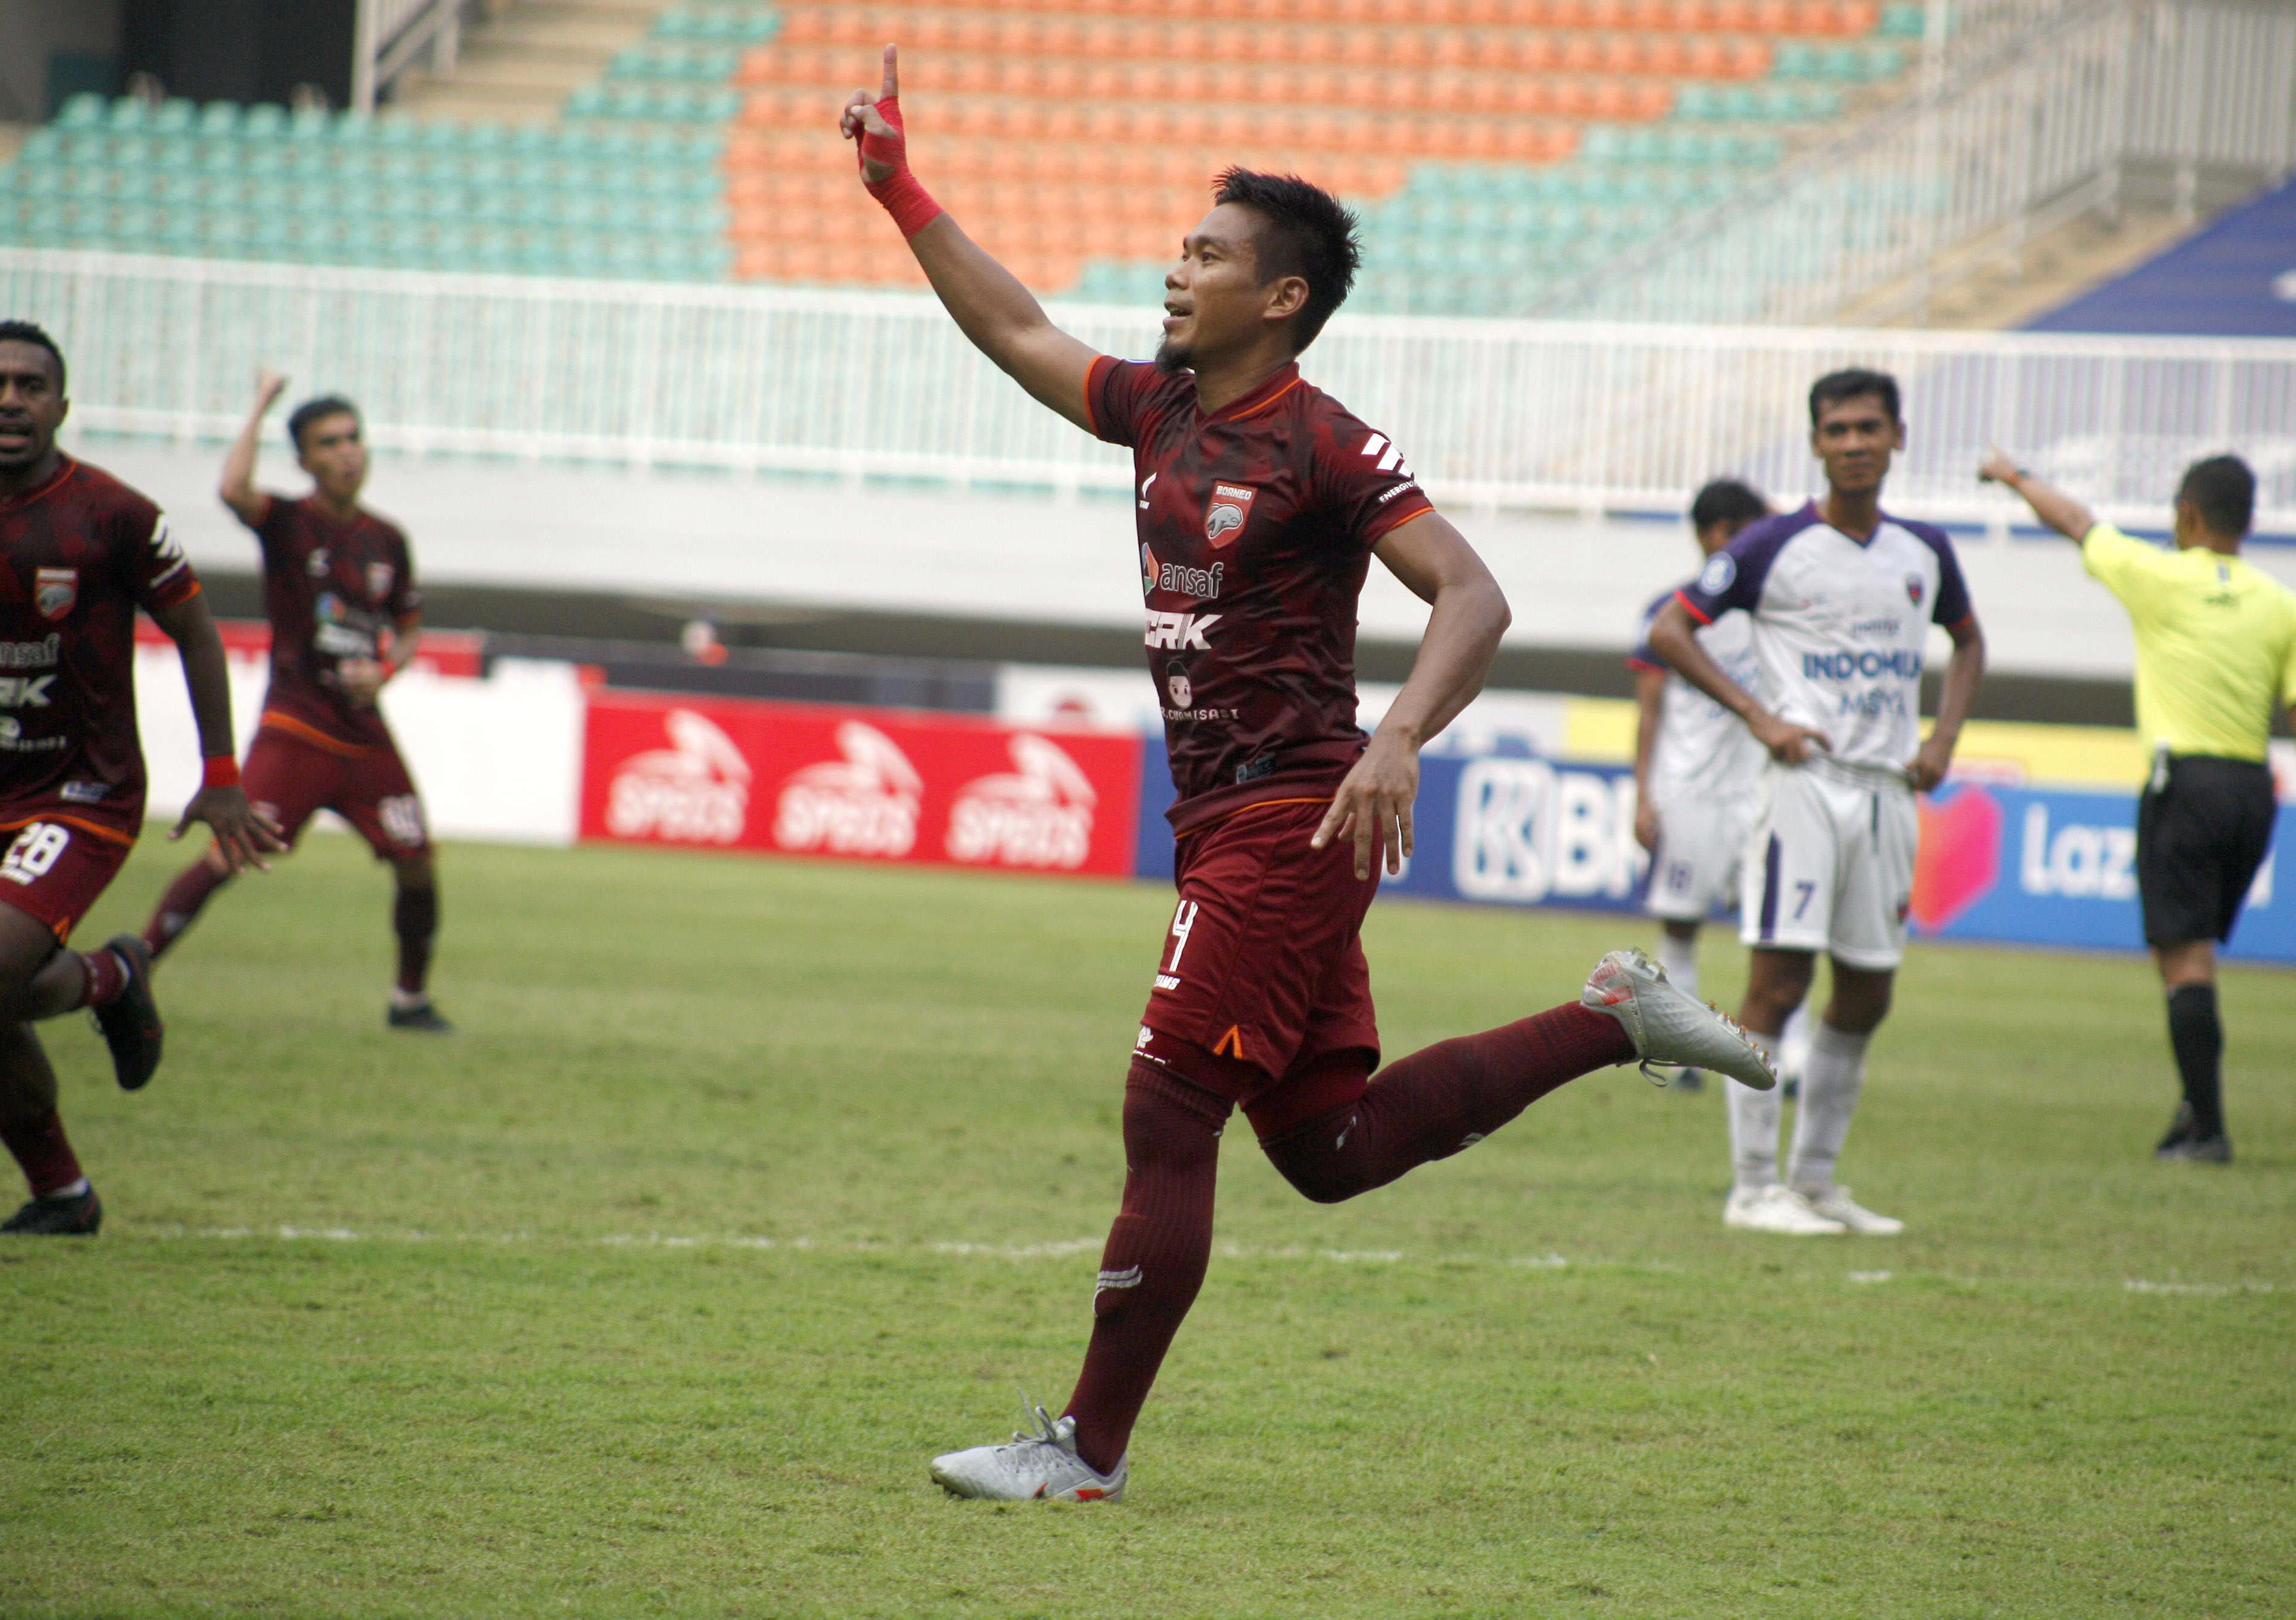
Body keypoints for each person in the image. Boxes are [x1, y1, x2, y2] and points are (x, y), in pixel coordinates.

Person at [839, 47, 1778, 1503]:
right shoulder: (1160, 407)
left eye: (1206, 254)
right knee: (1330, 1150)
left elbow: (1470, 594)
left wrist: (1397, 737)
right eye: (1180, 246)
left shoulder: (1322, 443)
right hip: (1232, 822)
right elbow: (1016, 330)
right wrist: (899, 187)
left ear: (1278, 297)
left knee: (1166, 1107)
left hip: (1293, 815)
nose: (1175, 268)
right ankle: (1612, 1018)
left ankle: (1082, 1451)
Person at [0, 321, 281, 1235]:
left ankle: (110, 974)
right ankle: (62, 1193)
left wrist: (220, 775)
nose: (9, 399)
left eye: (29, 384)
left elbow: (199, 633)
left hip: (87, 793)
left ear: (62, 404)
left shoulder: (113, 514)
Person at [1649, 369, 1986, 1238]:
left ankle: (1817, 1181)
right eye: (1836, 429)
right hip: (1802, 792)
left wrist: (1943, 737)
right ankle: (1753, 1186)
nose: (1853, 443)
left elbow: (1970, 638)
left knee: (1869, 993)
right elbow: (1669, 631)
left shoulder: (1925, 550)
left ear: (1897, 437)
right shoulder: (1771, 544)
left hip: (1887, 795)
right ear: (1816, 443)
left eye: (1868, 427)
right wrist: (1760, 714)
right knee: (1779, 982)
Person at [1980, 449, 2296, 1164]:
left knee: (2184, 960)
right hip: (2253, 790)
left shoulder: (2159, 576)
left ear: (2187, 515)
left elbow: (2076, 521)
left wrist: (2015, 476)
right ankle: (2193, 1107)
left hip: (2183, 781)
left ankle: (2207, 1127)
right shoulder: (2281, 603)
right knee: (2200, 953)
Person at [139, 371, 449, 1031]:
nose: (347, 452)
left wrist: (387, 669)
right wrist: (259, 403)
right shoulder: (288, 523)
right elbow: (231, 489)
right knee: (228, 854)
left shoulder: (387, 540)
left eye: (354, 438)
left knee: (418, 862)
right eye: (329, 443)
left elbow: (412, 627)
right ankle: (134, 969)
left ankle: (410, 1001)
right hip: (298, 726)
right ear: (305, 460)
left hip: (366, 734)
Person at [1628, 477, 1811, 1095]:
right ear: (1718, 536)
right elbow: (1648, 712)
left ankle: (1793, 1062)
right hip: (1689, 795)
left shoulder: (1772, 607)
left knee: (1788, 929)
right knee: (1680, 925)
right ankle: (1680, 1055)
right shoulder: (1668, 611)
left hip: (1762, 792)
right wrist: (1642, 794)